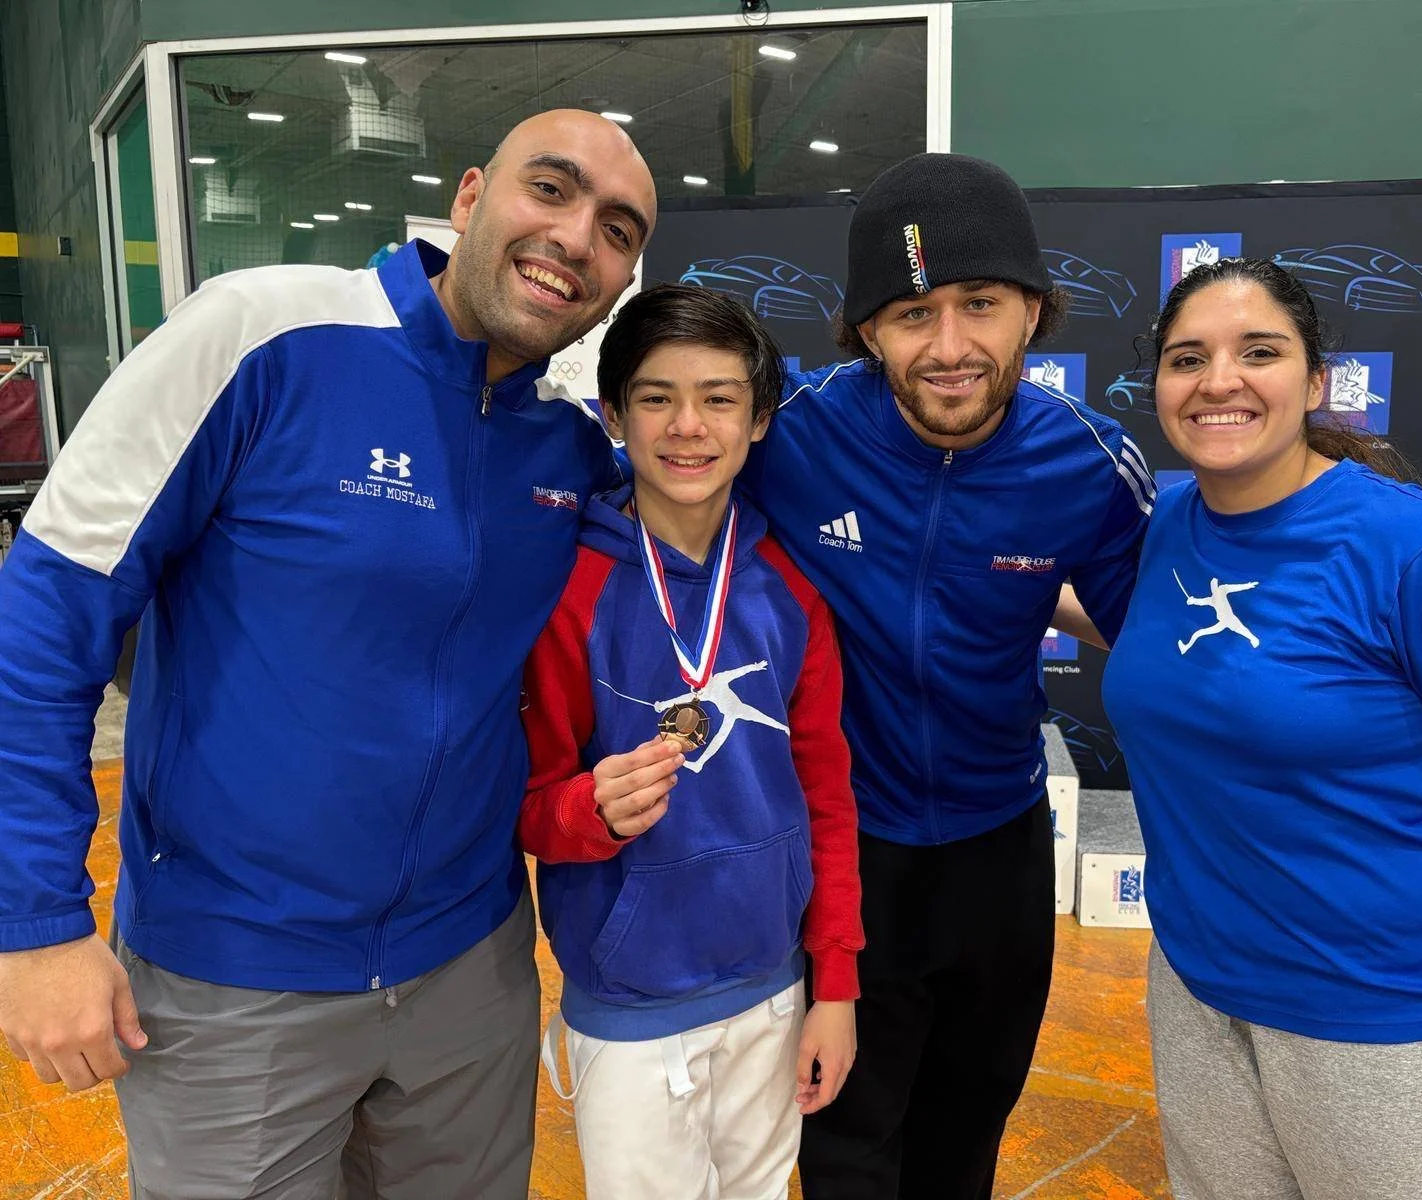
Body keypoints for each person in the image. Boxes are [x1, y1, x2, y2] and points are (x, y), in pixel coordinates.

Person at [0, 109, 655, 1198]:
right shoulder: (263, 336)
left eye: (619, 228)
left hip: (469, 974)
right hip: (235, 977)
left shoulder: (568, 446)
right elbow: (44, 620)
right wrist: (32, 922)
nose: (579, 237)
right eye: (551, 190)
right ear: (468, 196)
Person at [1096, 257, 1422, 1200]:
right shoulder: (1162, 528)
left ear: (1317, 381)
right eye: (1186, 357)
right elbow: (1143, 634)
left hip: (1400, 1018)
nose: (1219, 380)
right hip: (1203, 994)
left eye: (1259, 352)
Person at [740, 153, 1155, 1199]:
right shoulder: (788, 431)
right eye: (912, 313)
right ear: (867, 329)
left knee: (964, 1143)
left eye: (980, 303)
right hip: (841, 848)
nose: (951, 346)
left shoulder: (1086, 463)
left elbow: (1162, 646)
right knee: (841, 1147)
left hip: (997, 854)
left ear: (1031, 311)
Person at [518, 283, 863, 1199]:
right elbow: (524, 798)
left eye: (719, 398)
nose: (687, 426)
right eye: (656, 397)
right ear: (612, 415)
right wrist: (586, 811)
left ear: (757, 422)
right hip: (630, 1005)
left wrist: (835, 984)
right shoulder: (570, 592)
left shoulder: (790, 585)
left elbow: (825, 790)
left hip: (775, 988)